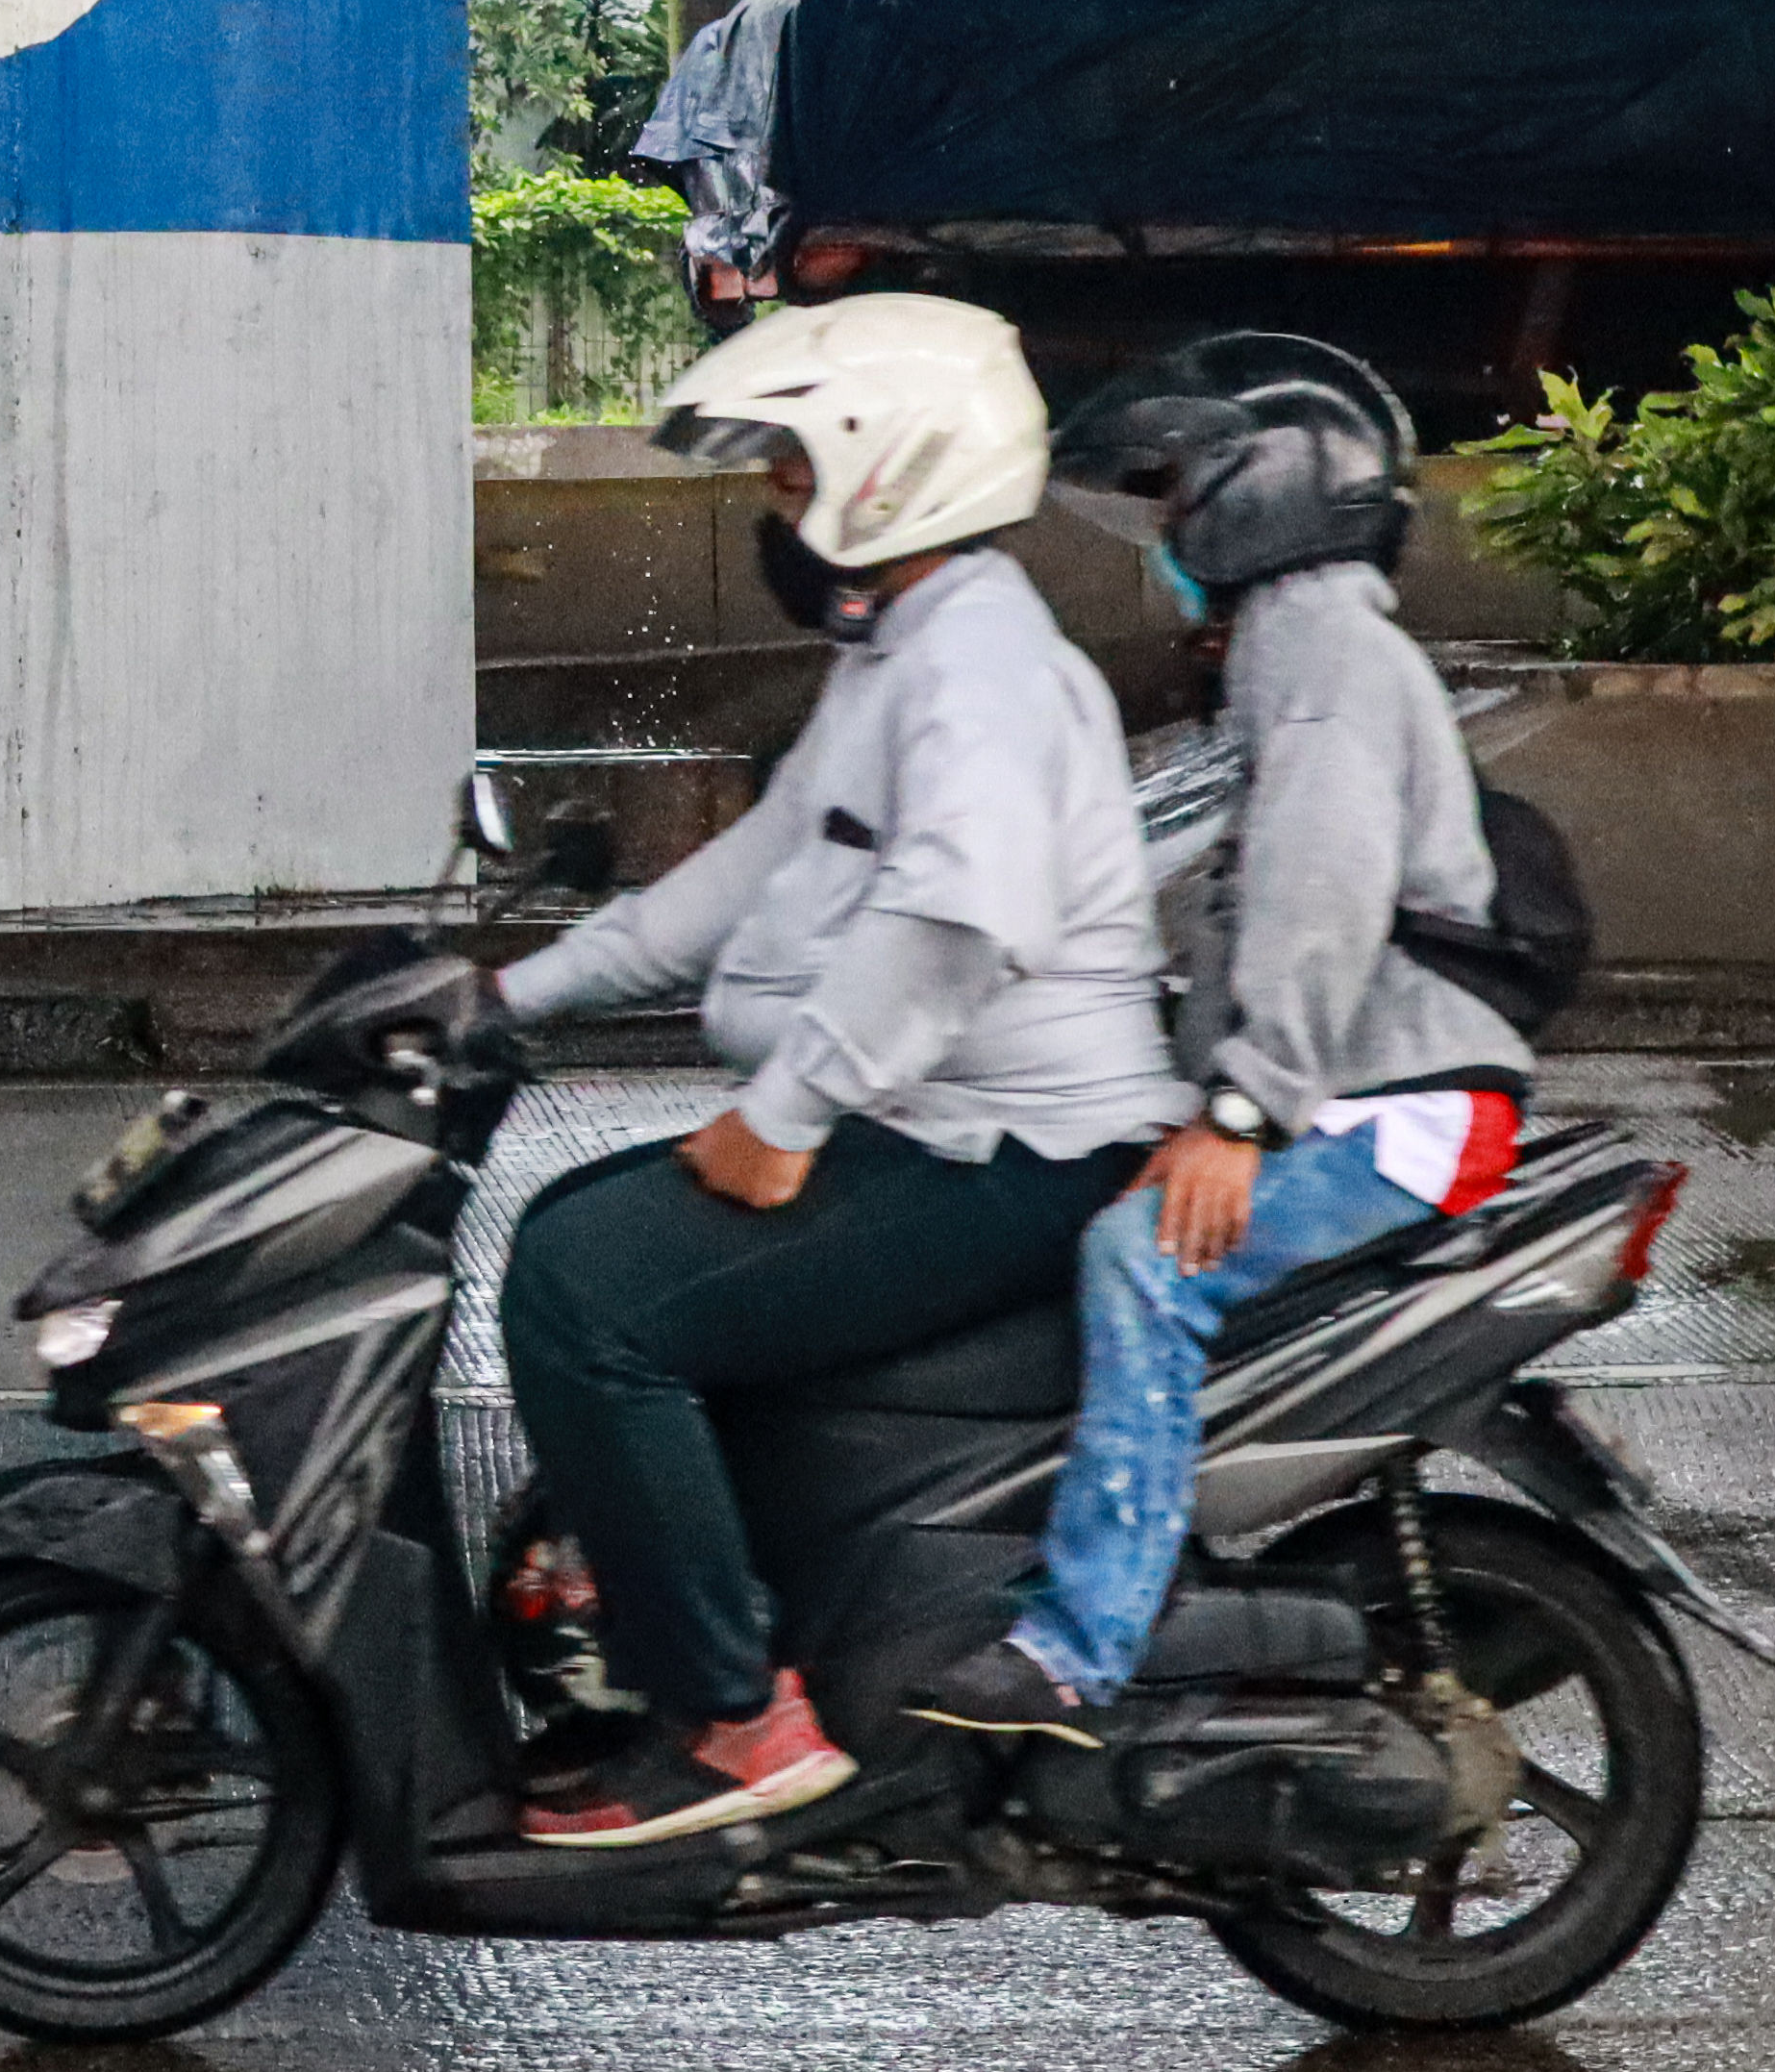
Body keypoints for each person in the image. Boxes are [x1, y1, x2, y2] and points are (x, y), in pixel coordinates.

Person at [484, 294, 1189, 1849]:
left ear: (895, 464)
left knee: (588, 1294)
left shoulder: (979, 668)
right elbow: (742, 874)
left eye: (794, 469)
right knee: (569, 1227)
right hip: (935, 1121)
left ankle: (736, 1719)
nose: (773, 502)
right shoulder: (904, 650)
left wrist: (784, 1111)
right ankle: (684, 1606)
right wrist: (507, 994)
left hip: (1013, 1148)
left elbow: (954, 921)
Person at [912, 335, 1531, 1745]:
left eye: (1185, 490)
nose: (1169, 529)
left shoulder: (1320, 652)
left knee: (1145, 1259)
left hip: (1398, 1103)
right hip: (1368, 1086)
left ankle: (1083, 1647)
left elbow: (1318, 897)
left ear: (1270, 491)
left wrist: (1240, 1114)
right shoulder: (1297, 647)